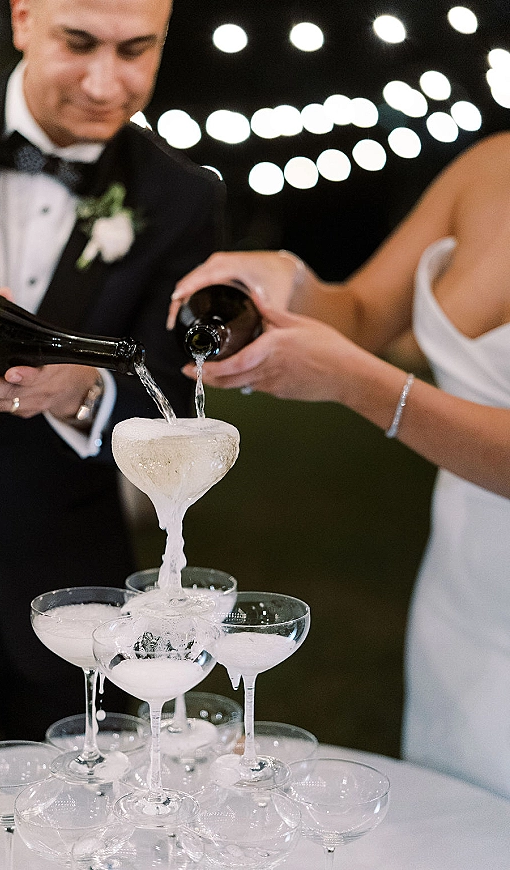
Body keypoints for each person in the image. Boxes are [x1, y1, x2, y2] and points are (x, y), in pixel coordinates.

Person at [168, 131, 510, 798]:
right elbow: (360, 313)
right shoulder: (488, 165)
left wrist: (360, 385)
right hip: (462, 599)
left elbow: (358, 363)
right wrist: (284, 280)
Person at [0, 0, 225, 762]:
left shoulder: (183, 196)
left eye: (136, 50)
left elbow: (177, 397)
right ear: (24, 19)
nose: (105, 84)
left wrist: (86, 394)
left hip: (68, 596)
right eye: (80, 43)